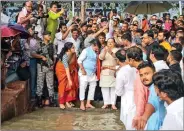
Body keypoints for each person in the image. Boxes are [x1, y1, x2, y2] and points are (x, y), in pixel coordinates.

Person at [136, 62, 166, 130]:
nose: (144, 77)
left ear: (154, 74)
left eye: (146, 74)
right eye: (141, 75)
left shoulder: (155, 88)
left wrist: (145, 117)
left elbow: (153, 102)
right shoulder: (153, 87)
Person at [125, 46, 149, 128]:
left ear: (131, 60)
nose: (126, 62)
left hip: (145, 112)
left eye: (127, 59)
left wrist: (138, 116)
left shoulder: (141, 75)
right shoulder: (148, 68)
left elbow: (141, 97)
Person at [115, 49, 137, 130]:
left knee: (130, 124)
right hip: (140, 97)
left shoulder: (122, 71)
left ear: (117, 60)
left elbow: (119, 91)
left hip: (128, 99)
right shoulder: (137, 67)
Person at [78, 39, 101, 111]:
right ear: (93, 45)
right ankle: (82, 103)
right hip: (84, 72)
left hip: (92, 73)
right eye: (96, 47)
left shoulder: (96, 52)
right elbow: (79, 60)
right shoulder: (86, 50)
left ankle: (88, 103)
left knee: (93, 86)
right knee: (83, 87)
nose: (97, 48)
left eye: (98, 47)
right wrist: (82, 69)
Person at [55, 42, 78, 109]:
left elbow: (72, 64)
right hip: (61, 70)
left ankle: (68, 101)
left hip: (69, 70)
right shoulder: (64, 56)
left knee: (70, 85)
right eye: (73, 48)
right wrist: (69, 79)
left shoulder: (73, 54)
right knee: (63, 85)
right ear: (68, 49)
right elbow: (66, 69)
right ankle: (61, 102)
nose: (74, 49)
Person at [36, 31, 55, 108]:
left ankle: (51, 100)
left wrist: (53, 64)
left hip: (49, 66)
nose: (49, 36)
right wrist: (41, 57)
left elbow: (54, 56)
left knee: (50, 84)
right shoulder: (39, 44)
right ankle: (39, 100)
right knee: (40, 83)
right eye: (48, 35)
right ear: (43, 36)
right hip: (41, 66)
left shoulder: (52, 45)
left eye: (50, 35)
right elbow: (32, 53)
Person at [99, 38, 119, 110]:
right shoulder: (104, 49)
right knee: (105, 88)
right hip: (104, 71)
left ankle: (113, 104)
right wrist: (105, 51)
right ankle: (106, 103)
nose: (110, 44)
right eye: (108, 42)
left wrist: (110, 52)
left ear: (114, 43)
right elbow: (101, 58)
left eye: (111, 42)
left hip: (114, 71)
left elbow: (117, 57)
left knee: (114, 88)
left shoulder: (117, 50)